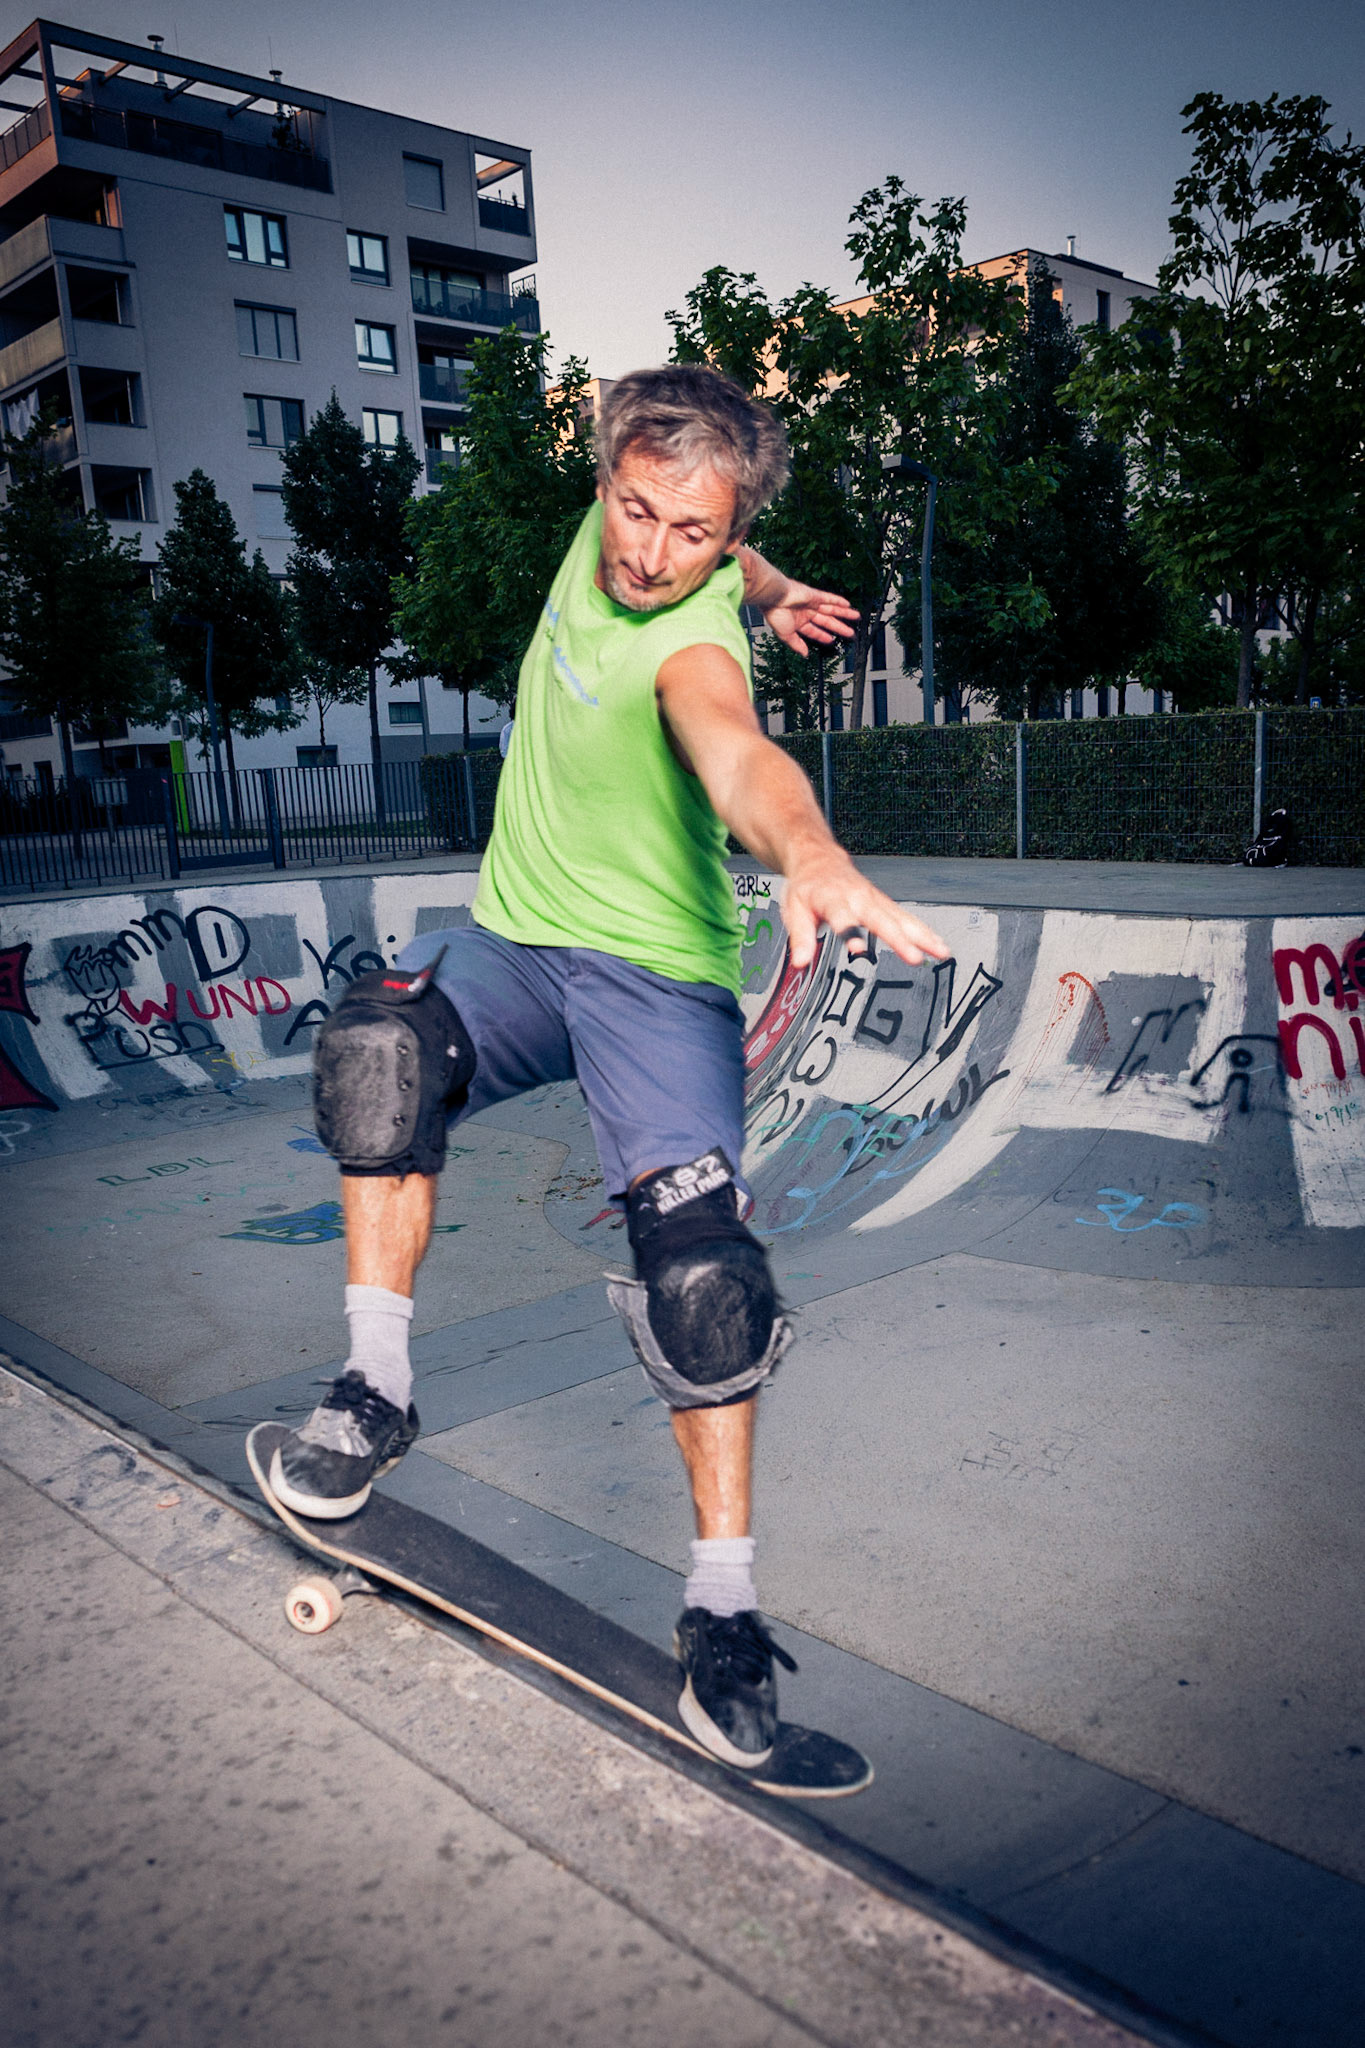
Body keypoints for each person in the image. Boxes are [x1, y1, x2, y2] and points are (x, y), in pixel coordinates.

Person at [264, 365, 949, 1768]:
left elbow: (739, 756)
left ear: (720, 534)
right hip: (514, 951)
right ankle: (376, 1387)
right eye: (638, 512)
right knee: (379, 1051)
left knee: (705, 1280)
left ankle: (723, 1609)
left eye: (694, 537)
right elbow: (726, 546)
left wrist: (811, 850)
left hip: (657, 980)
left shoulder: (690, 645)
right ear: (606, 485)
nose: (650, 555)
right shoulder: (634, 531)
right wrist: (776, 585)